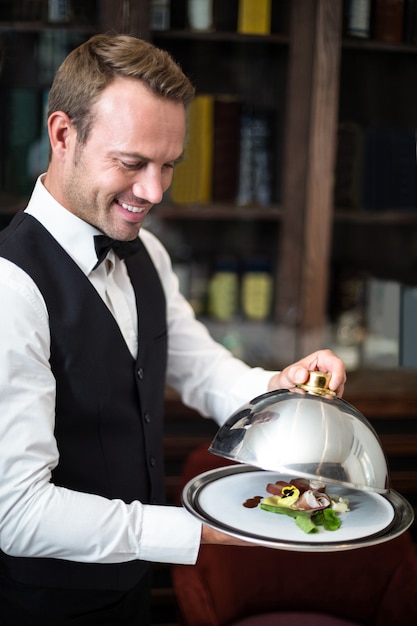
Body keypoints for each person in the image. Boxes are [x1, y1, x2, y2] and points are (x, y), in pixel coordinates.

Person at [0, 34, 346, 625]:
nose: (154, 192)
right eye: (132, 163)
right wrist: (204, 531)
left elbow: (205, 373)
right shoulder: (10, 287)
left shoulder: (147, 254)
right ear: (62, 136)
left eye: (168, 166)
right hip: (41, 606)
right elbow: (19, 513)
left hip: (131, 590)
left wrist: (287, 390)